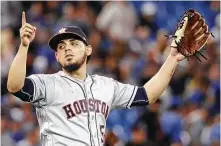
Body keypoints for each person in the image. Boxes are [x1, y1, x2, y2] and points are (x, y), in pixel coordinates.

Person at [7, 12, 185, 146]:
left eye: (74, 44)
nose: (67, 49)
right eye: (61, 47)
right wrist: (24, 46)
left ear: (88, 50)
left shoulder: (105, 85)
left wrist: (173, 59)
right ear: (56, 56)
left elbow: (147, 95)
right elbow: (15, 86)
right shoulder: (47, 83)